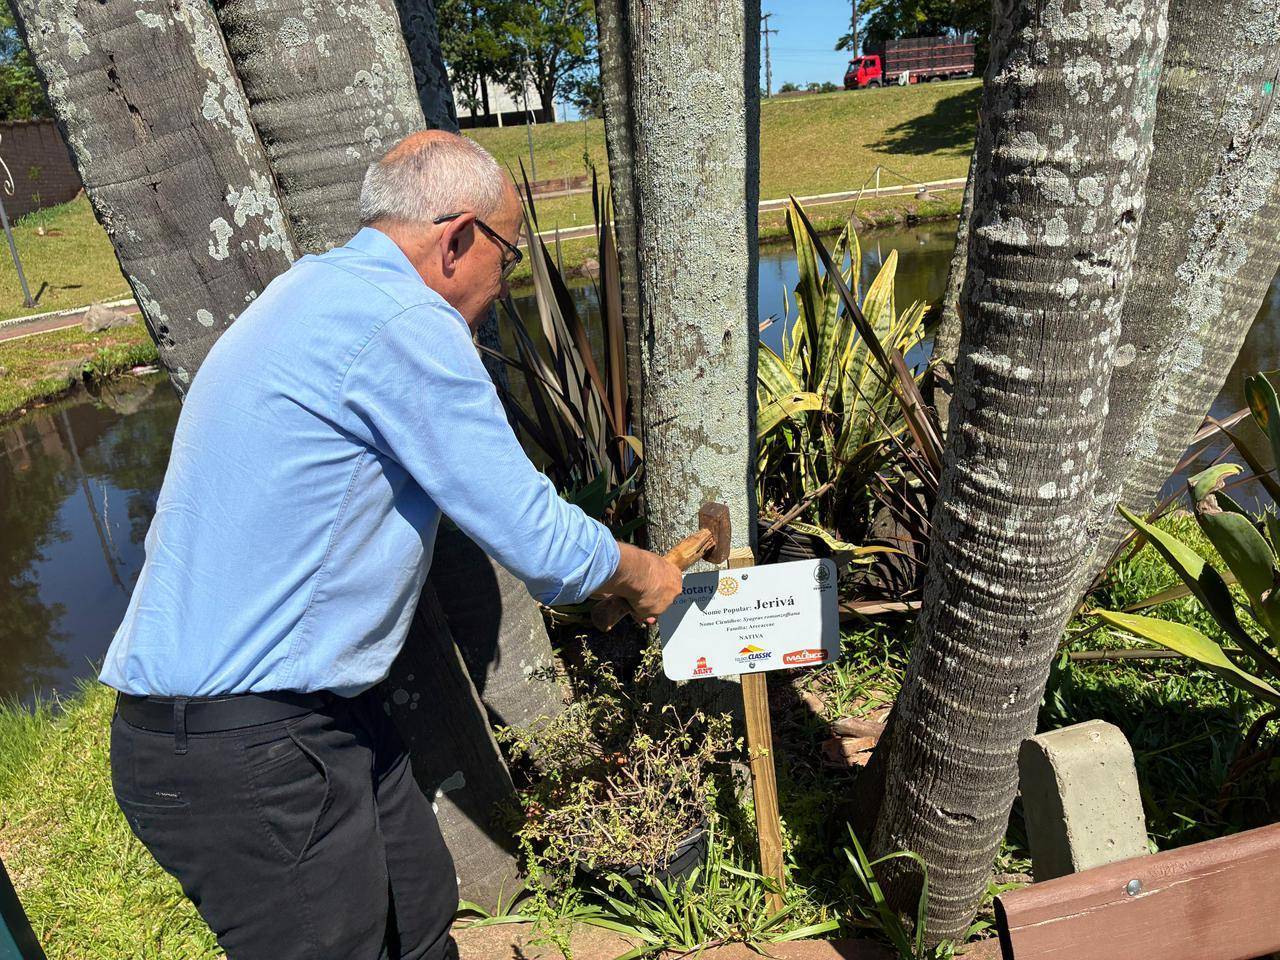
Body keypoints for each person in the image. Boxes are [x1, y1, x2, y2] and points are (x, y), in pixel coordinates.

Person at [99, 130, 683, 960]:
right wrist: (642, 572)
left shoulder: (308, 291)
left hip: (307, 719)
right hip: (247, 745)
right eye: (509, 258)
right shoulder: (404, 320)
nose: (504, 282)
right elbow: (538, 536)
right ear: (459, 240)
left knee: (419, 912)